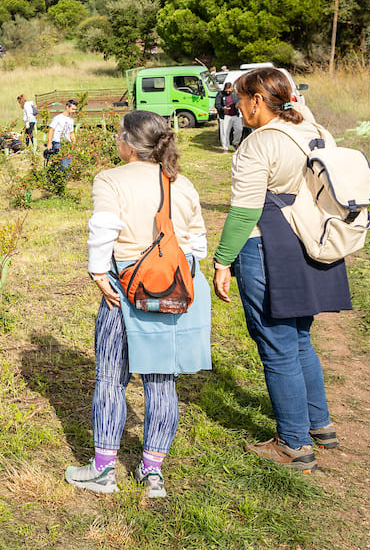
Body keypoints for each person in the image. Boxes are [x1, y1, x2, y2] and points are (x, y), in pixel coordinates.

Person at [64, 110, 211, 498]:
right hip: (178, 287)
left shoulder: (111, 178)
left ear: (128, 141)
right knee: (163, 382)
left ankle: (103, 470)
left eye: (118, 135)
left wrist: (98, 272)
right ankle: (152, 473)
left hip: (126, 286)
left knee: (111, 377)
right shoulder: (182, 182)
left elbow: (104, 228)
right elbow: (198, 242)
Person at [211, 68, 345, 473]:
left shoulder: (258, 145)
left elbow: (246, 210)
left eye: (238, 98)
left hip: (267, 244)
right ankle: (320, 425)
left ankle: (293, 443)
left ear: (256, 100)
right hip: (309, 238)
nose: (235, 106)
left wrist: (222, 261)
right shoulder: (313, 129)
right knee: (300, 338)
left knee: (275, 343)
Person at [45, 100, 78, 164]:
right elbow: (51, 130)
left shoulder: (71, 120)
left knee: (69, 162)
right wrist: (49, 143)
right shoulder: (58, 118)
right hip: (58, 143)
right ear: (67, 107)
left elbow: (71, 133)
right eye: (73, 109)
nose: (74, 111)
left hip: (67, 143)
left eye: (75, 110)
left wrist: (74, 144)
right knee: (64, 163)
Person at [215, 82, 242, 152]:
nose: (228, 92)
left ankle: (235, 143)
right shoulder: (220, 94)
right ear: (224, 89)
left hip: (235, 115)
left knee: (239, 129)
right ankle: (225, 147)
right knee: (225, 132)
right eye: (226, 90)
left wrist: (238, 105)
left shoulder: (235, 94)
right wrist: (223, 108)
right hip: (225, 116)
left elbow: (240, 102)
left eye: (229, 90)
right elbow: (217, 105)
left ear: (232, 89)